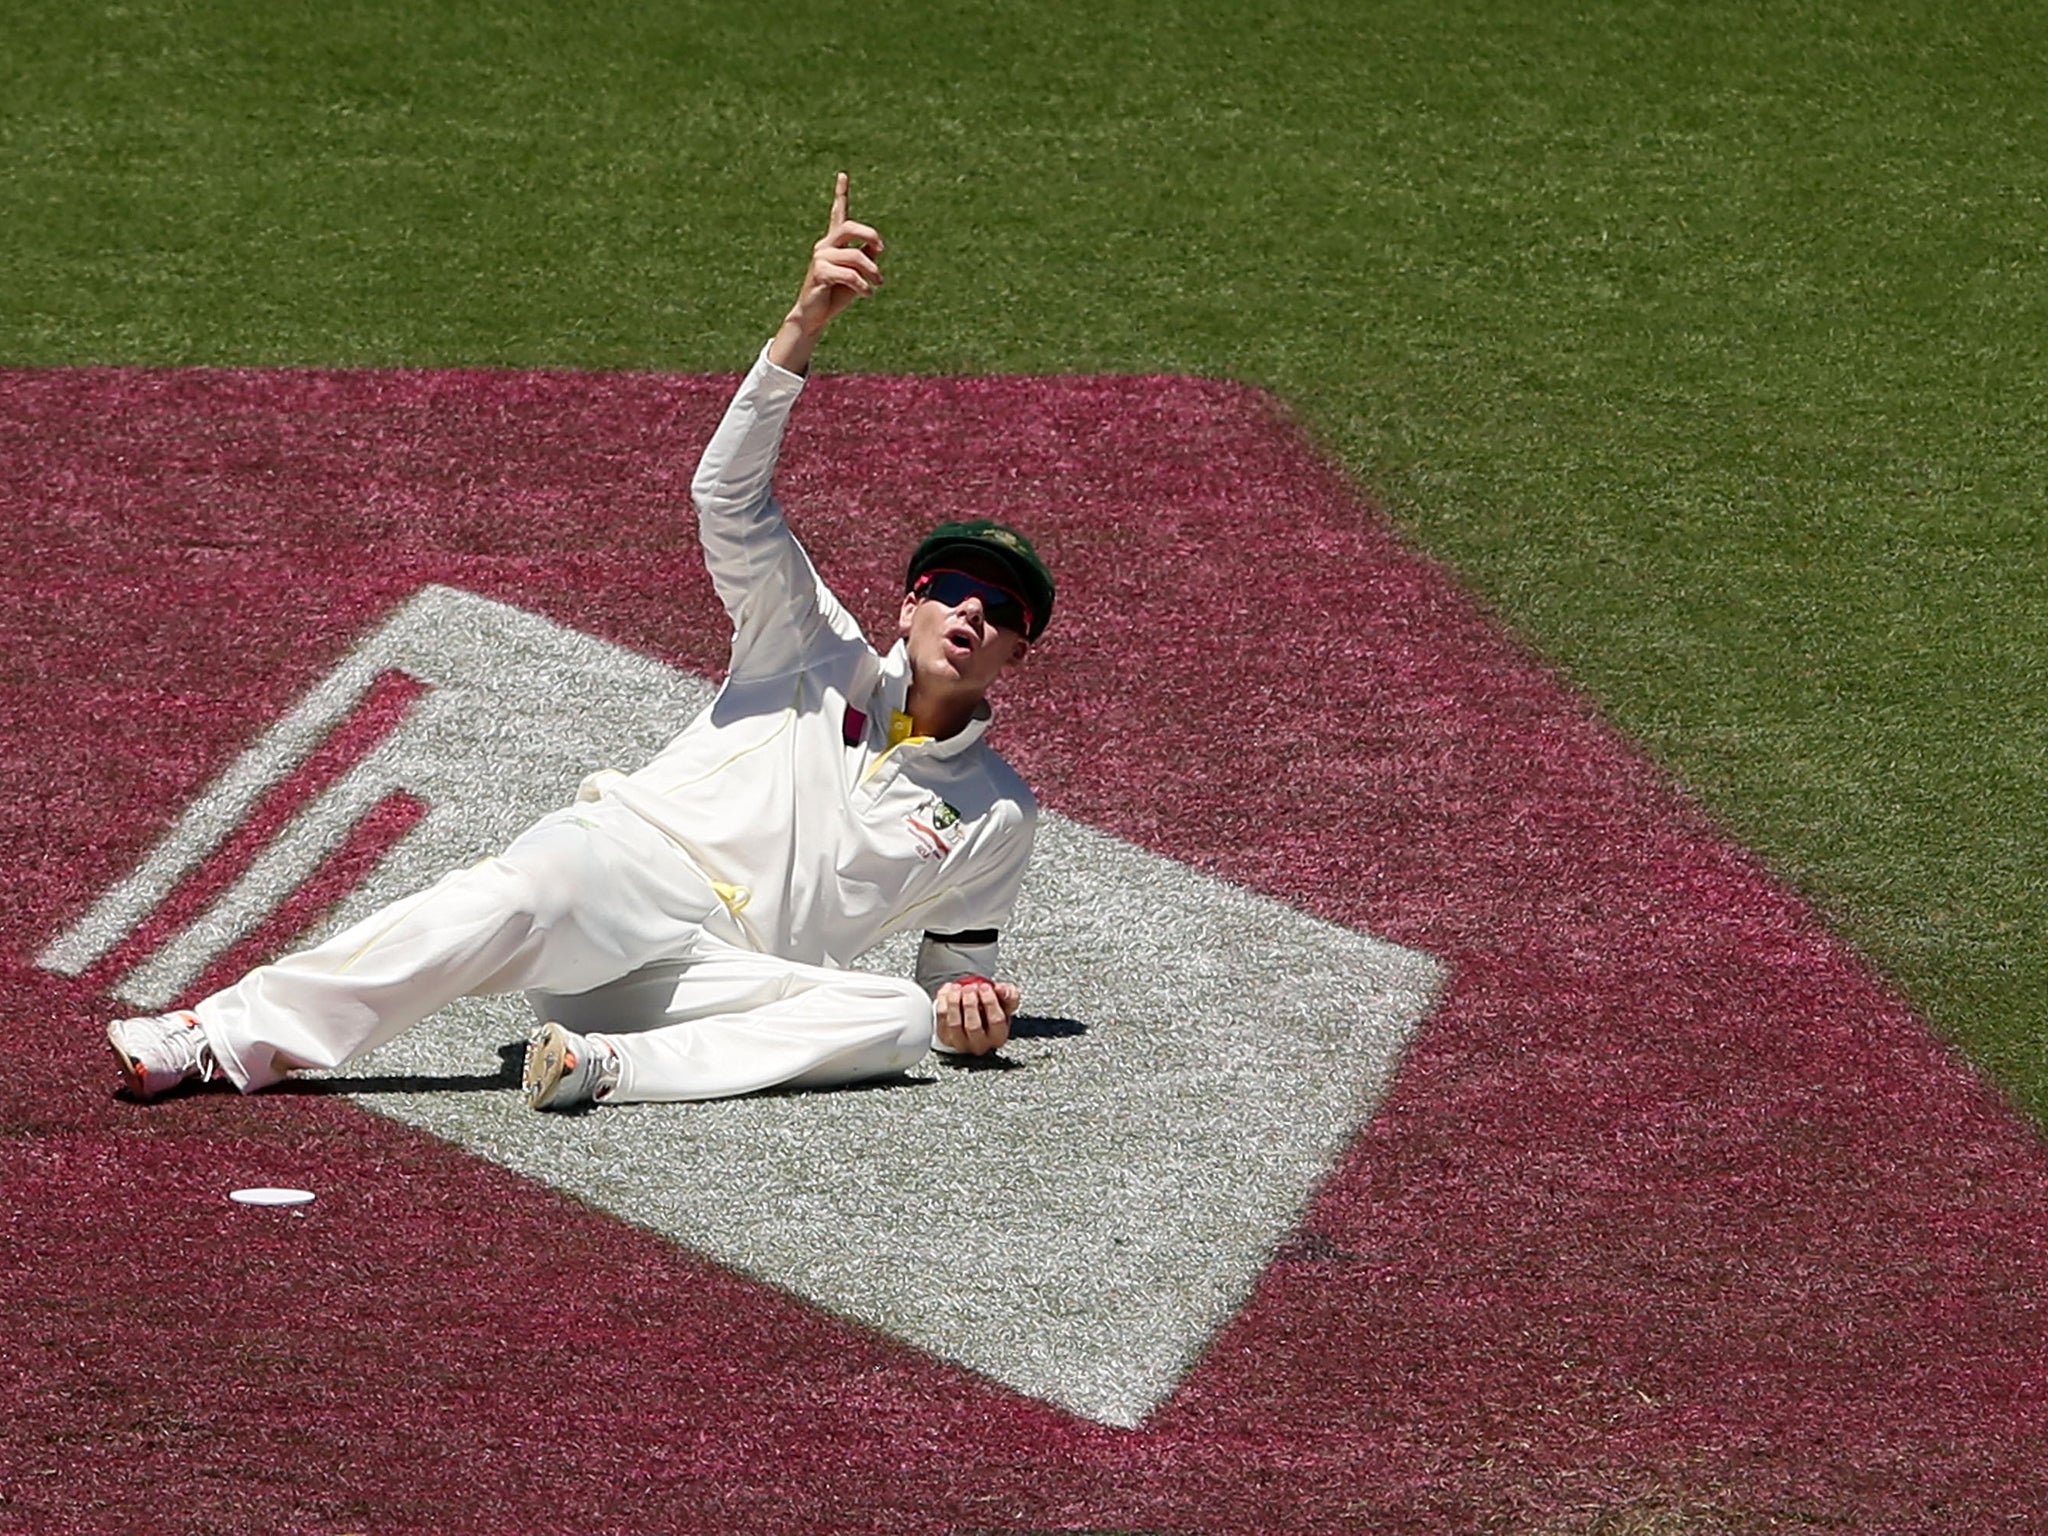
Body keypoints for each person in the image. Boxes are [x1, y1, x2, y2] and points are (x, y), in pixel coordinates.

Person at [105, 173, 1053, 1112]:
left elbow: (952, 977)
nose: (972, 615)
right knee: (515, 890)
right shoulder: (810, 639)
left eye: (1001, 613)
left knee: (891, 1021)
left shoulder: (998, 811)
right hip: (627, 876)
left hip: (728, 982)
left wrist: (966, 1009)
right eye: (954, 591)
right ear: (907, 607)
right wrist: (802, 328)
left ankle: (599, 1068)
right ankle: (218, 1035)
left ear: (1017, 654)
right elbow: (725, 498)